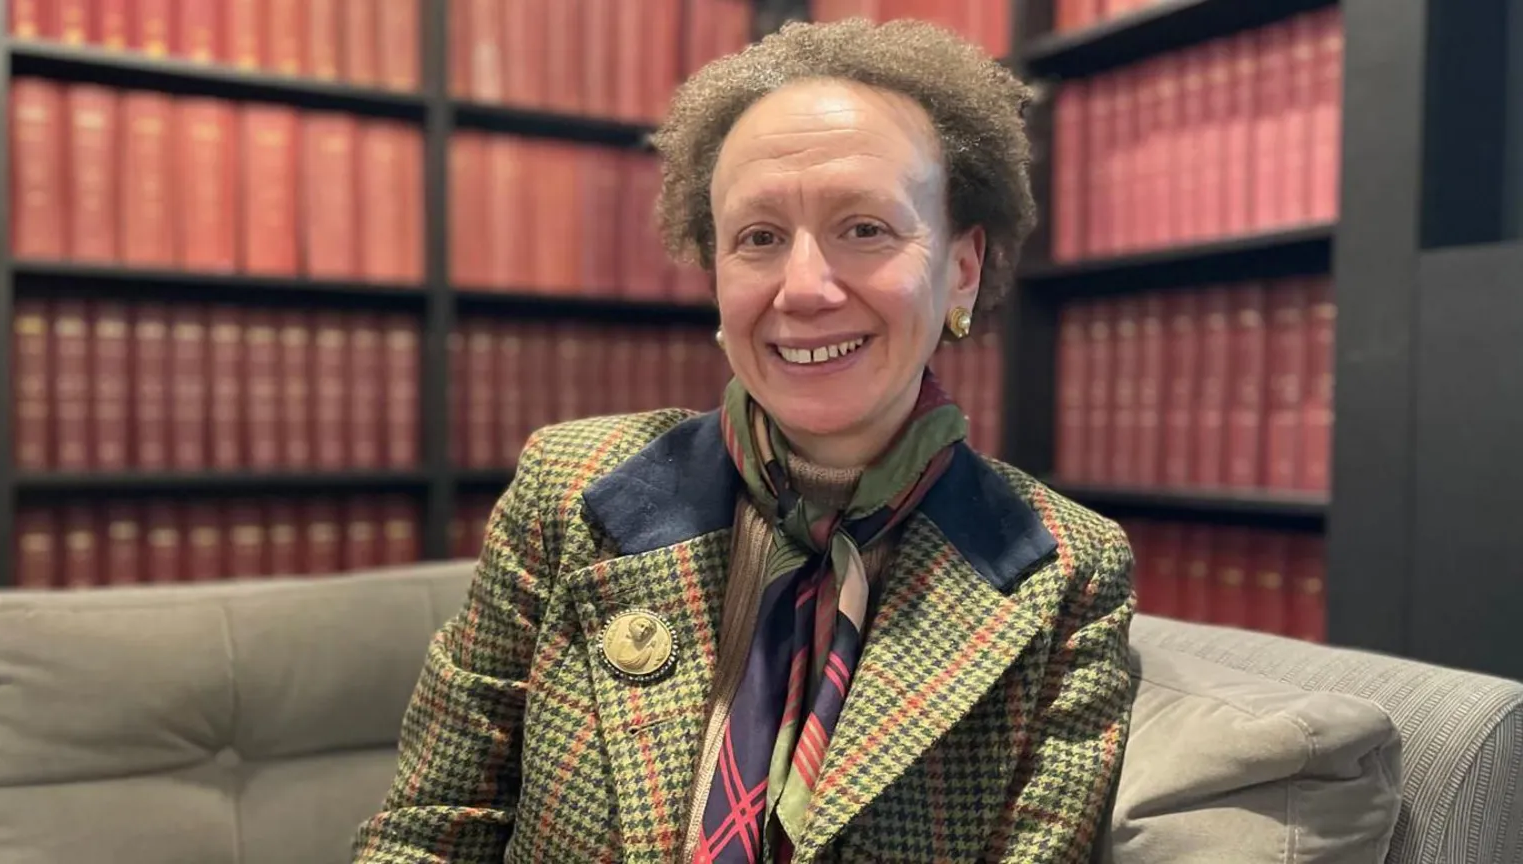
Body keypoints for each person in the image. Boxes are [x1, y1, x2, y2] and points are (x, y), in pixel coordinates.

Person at [352, 16, 1135, 864]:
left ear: (963, 269)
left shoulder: (1066, 573)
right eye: (759, 239)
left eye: (865, 228)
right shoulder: (568, 489)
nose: (803, 288)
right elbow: (429, 834)